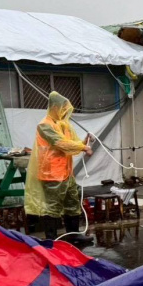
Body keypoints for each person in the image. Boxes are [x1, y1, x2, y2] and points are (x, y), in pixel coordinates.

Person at [24, 92, 94, 243]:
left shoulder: (64, 125)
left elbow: (72, 143)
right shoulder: (44, 125)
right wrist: (84, 148)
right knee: (53, 206)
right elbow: (60, 143)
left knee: (72, 203)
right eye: (62, 108)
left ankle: (73, 236)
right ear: (54, 107)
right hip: (51, 173)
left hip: (67, 172)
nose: (64, 111)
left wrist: (85, 142)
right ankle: (51, 240)